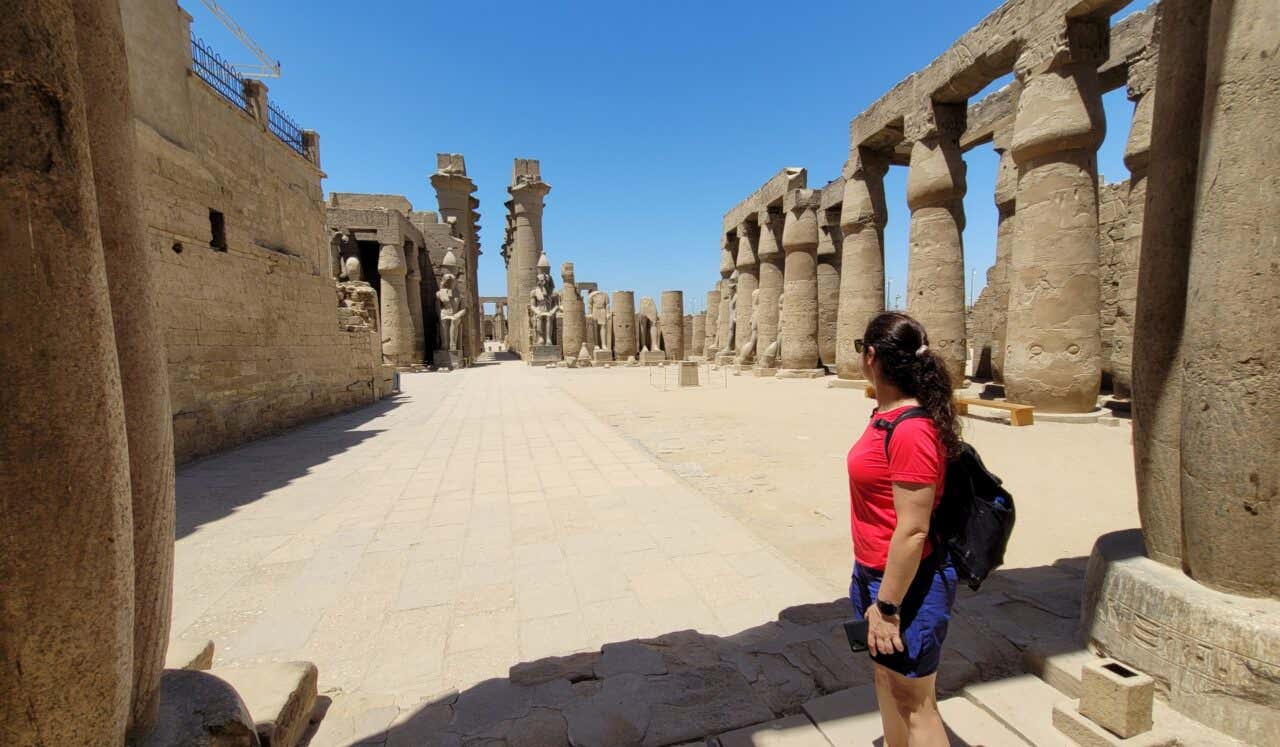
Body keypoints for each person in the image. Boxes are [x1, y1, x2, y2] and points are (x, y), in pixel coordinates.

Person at [847, 311, 961, 747]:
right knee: (890, 681)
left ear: (871, 356)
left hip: (905, 584)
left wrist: (888, 607)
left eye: (861, 349)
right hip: (874, 572)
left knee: (916, 701)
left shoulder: (911, 431)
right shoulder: (885, 415)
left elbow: (913, 530)